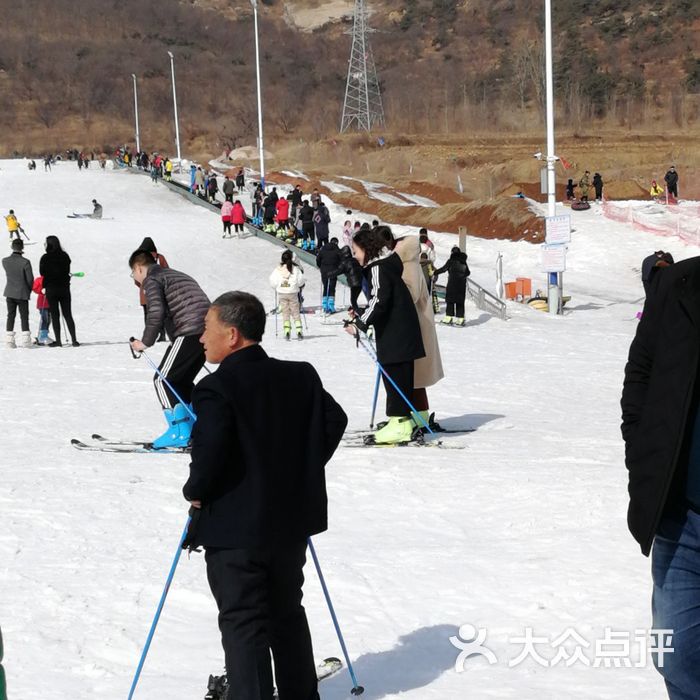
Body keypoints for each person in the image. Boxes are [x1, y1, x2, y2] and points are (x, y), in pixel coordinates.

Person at [182, 291, 347, 700]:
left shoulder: (215, 388)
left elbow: (211, 452)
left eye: (207, 329)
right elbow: (334, 419)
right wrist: (297, 471)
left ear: (233, 335)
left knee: (244, 622)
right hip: (287, 523)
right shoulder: (300, 375)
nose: (202, 338)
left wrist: (196, 492)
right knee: (285, 615)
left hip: (235, 530)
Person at [621, 254, 700, 700]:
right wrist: (644, 456)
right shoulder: (679, 285)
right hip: (682, 520)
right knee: (679, 656)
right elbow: (641, 375)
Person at [346, 228, 425, 444]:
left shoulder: (378, 269)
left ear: (366, 249)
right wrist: (362, 314)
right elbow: (382, 300)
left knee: (394, 376)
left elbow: (380, 300)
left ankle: (399, 422)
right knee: (397, 375)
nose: (355, 255)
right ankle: (402, 420)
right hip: (399, 333)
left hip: (396, 335)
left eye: (356, 251)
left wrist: (360, 324)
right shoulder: (384, 267)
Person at [389, 229, 445, 428]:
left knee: (414, 376)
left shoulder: (409, 267)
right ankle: (419, 415)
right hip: (417, 324)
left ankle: (418, 418)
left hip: (416, 326)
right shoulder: (408, 265)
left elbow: (409, 295)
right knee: (414, 377)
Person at [39, 236, 79, 347]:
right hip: (64, 288)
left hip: (51, 289)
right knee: (67, 314)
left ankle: (58, 341)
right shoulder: (65, 256)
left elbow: (42, 273)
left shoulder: (45, 258)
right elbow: (67, 270)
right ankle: (74, 340)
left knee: (55, 315)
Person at [3, 239, 33, 348]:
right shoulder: (25, 262)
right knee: (24, 316)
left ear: (12, 247)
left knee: (10, 315)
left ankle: (9, 340)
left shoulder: (5, 261)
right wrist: (29, 290)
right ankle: (26, 339)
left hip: (9, 292)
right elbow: (30, 279)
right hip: (22, 292)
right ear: (22, 247)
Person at [269, 250, 305, 340]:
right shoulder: (295, 269)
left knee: (285, 313)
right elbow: (301, 281)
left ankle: (287, 331)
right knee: (295, 312)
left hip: (282, 292)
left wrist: (276, 287)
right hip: (292, 292)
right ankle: (299, 330)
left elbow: (272, 280)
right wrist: (298, 285)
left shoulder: (278, 269)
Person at [434, 246, 471, 326]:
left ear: (452, 253)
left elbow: (444, 269)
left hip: (452, 284)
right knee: (460, 302)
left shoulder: (451, 261)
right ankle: (461, 319)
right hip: (461, 285)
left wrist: (434, 272)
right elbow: (468, 273)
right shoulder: (464, 262)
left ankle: (448, 318)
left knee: (450, 300)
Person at [328, 245, 364, 314]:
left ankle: (359, 315)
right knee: (354, 300)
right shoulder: (355, 260)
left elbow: (338, 271)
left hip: (354, 284)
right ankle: (356, 312)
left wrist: (328, 274)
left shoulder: (345, 263)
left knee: (353, 301)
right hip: (360, 282)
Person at [316, 237, 342, 313]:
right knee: (332, 287)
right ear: (336, 243)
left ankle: (324, 305)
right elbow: (341, 260)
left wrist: (320, 266)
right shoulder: (337, 250)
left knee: (325, 286)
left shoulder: (323, 249)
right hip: (333, 270)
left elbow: (318, 259)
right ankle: (331, 305)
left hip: (324, 271)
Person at [32, 275, 52, 345]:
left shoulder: (52, 278)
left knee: (49, 320)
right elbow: (34, 288)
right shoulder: (39, 279)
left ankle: (44, 335)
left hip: (51, 302)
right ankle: (42, 337)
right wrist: (41, 290)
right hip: (42, 302)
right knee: (45, 319)